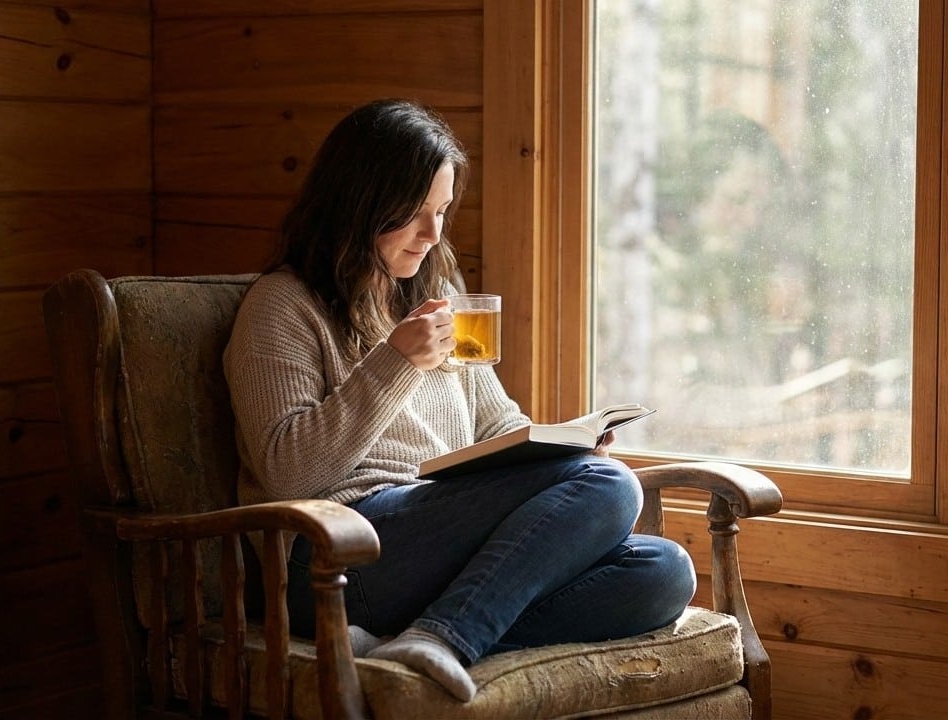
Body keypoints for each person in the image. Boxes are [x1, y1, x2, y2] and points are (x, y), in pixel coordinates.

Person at [222, 98, 696, 702]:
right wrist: (396, 362)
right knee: (612, 487)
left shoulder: (438, 296)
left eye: (442, 211)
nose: (434, 234)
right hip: (336, 554)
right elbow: (293, 471)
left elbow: (497, 423)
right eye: (415, 214)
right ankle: (446, 634)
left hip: (436, 540)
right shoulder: (282, 306)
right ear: (362, 205)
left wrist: (562, 444)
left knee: (661, 572)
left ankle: (426, 634)